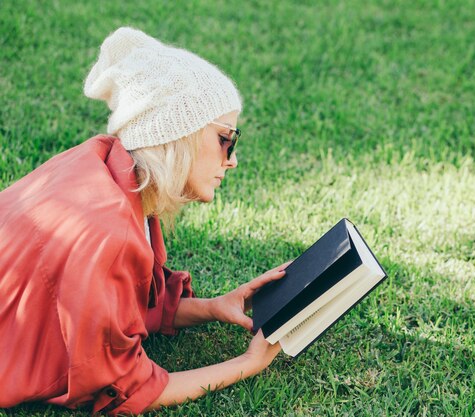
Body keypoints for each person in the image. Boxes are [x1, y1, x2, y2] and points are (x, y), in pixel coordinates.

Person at [0, 27, 287, 415]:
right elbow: (126, 388)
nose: (233, 159)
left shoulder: (100, 165)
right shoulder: (109, 233)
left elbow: (115, 309)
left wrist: (213, 306)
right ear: (177, 135)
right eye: (226, 139)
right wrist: (247, 363)